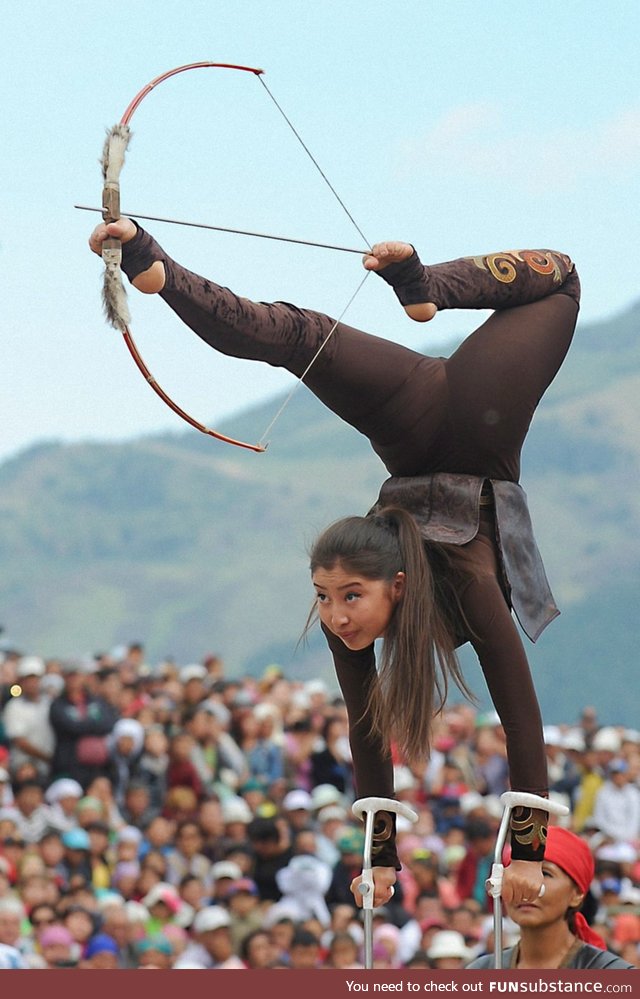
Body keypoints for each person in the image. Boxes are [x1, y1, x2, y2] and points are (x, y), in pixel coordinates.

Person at [89, 217, 581, 911]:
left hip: (423, 422)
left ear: (390, 583)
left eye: (343, 597)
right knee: (556, 276)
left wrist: (518, 851)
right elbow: (479, 719)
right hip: (478, 422)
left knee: (308, 335)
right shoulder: (470, 587)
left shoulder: (369, 602)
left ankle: (161, 264)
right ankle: (158, 263)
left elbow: (490, 725)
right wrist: (389, 859)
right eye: (326, 597)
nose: (334, 615)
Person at [467, 826, 636, 969]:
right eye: (516, 876)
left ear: (576, 894)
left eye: (545, 873)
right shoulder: (480, 972)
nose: (527, 886)